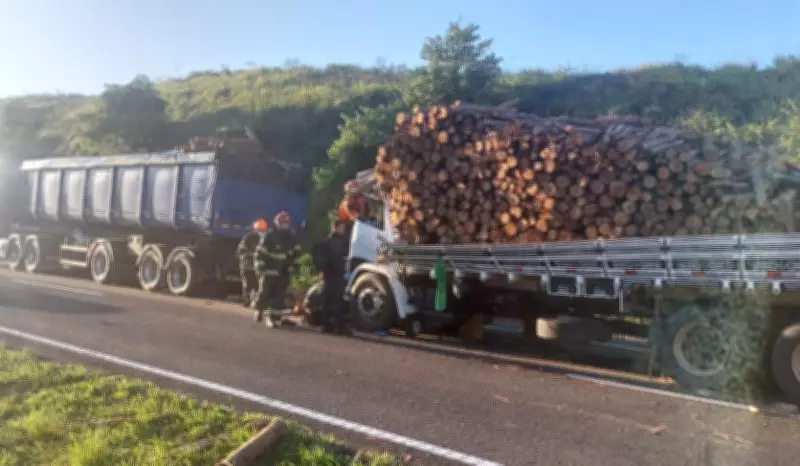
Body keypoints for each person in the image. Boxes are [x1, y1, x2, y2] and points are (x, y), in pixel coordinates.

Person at [252, 211, 300, 328]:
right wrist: (259, 266)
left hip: (283, 273)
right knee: (264, 293)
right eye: (281, 222)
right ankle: (259, 310)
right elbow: (260, 252)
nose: (284, 225)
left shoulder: (291, 238)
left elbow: (296, 254)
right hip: (269, 271)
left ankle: (273, 318)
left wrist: (294, 267)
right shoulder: (269, 236)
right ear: (276, 223)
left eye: (286, 223)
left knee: (279, 297)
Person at [312, 219, 350, 334]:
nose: (343, 230)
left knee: (327, 301)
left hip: (332, 274)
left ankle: (326, 326)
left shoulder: (332, 242)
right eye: (341, 228)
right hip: (334, 275)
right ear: (335, 227)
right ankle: (338, 327)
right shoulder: (333, 242)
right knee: (337, 301)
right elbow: (332, 259)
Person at [236, 218, 267, 306]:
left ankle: (255, 301)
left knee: (257, 285)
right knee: (248, 283)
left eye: (263, 230)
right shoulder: (249, 238)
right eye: (260, 230)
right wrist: (252, 254)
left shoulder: (266, 239)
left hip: (258, 267)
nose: (261, 231)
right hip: (247, 265)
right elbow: (240, 250)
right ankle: (246, 300)